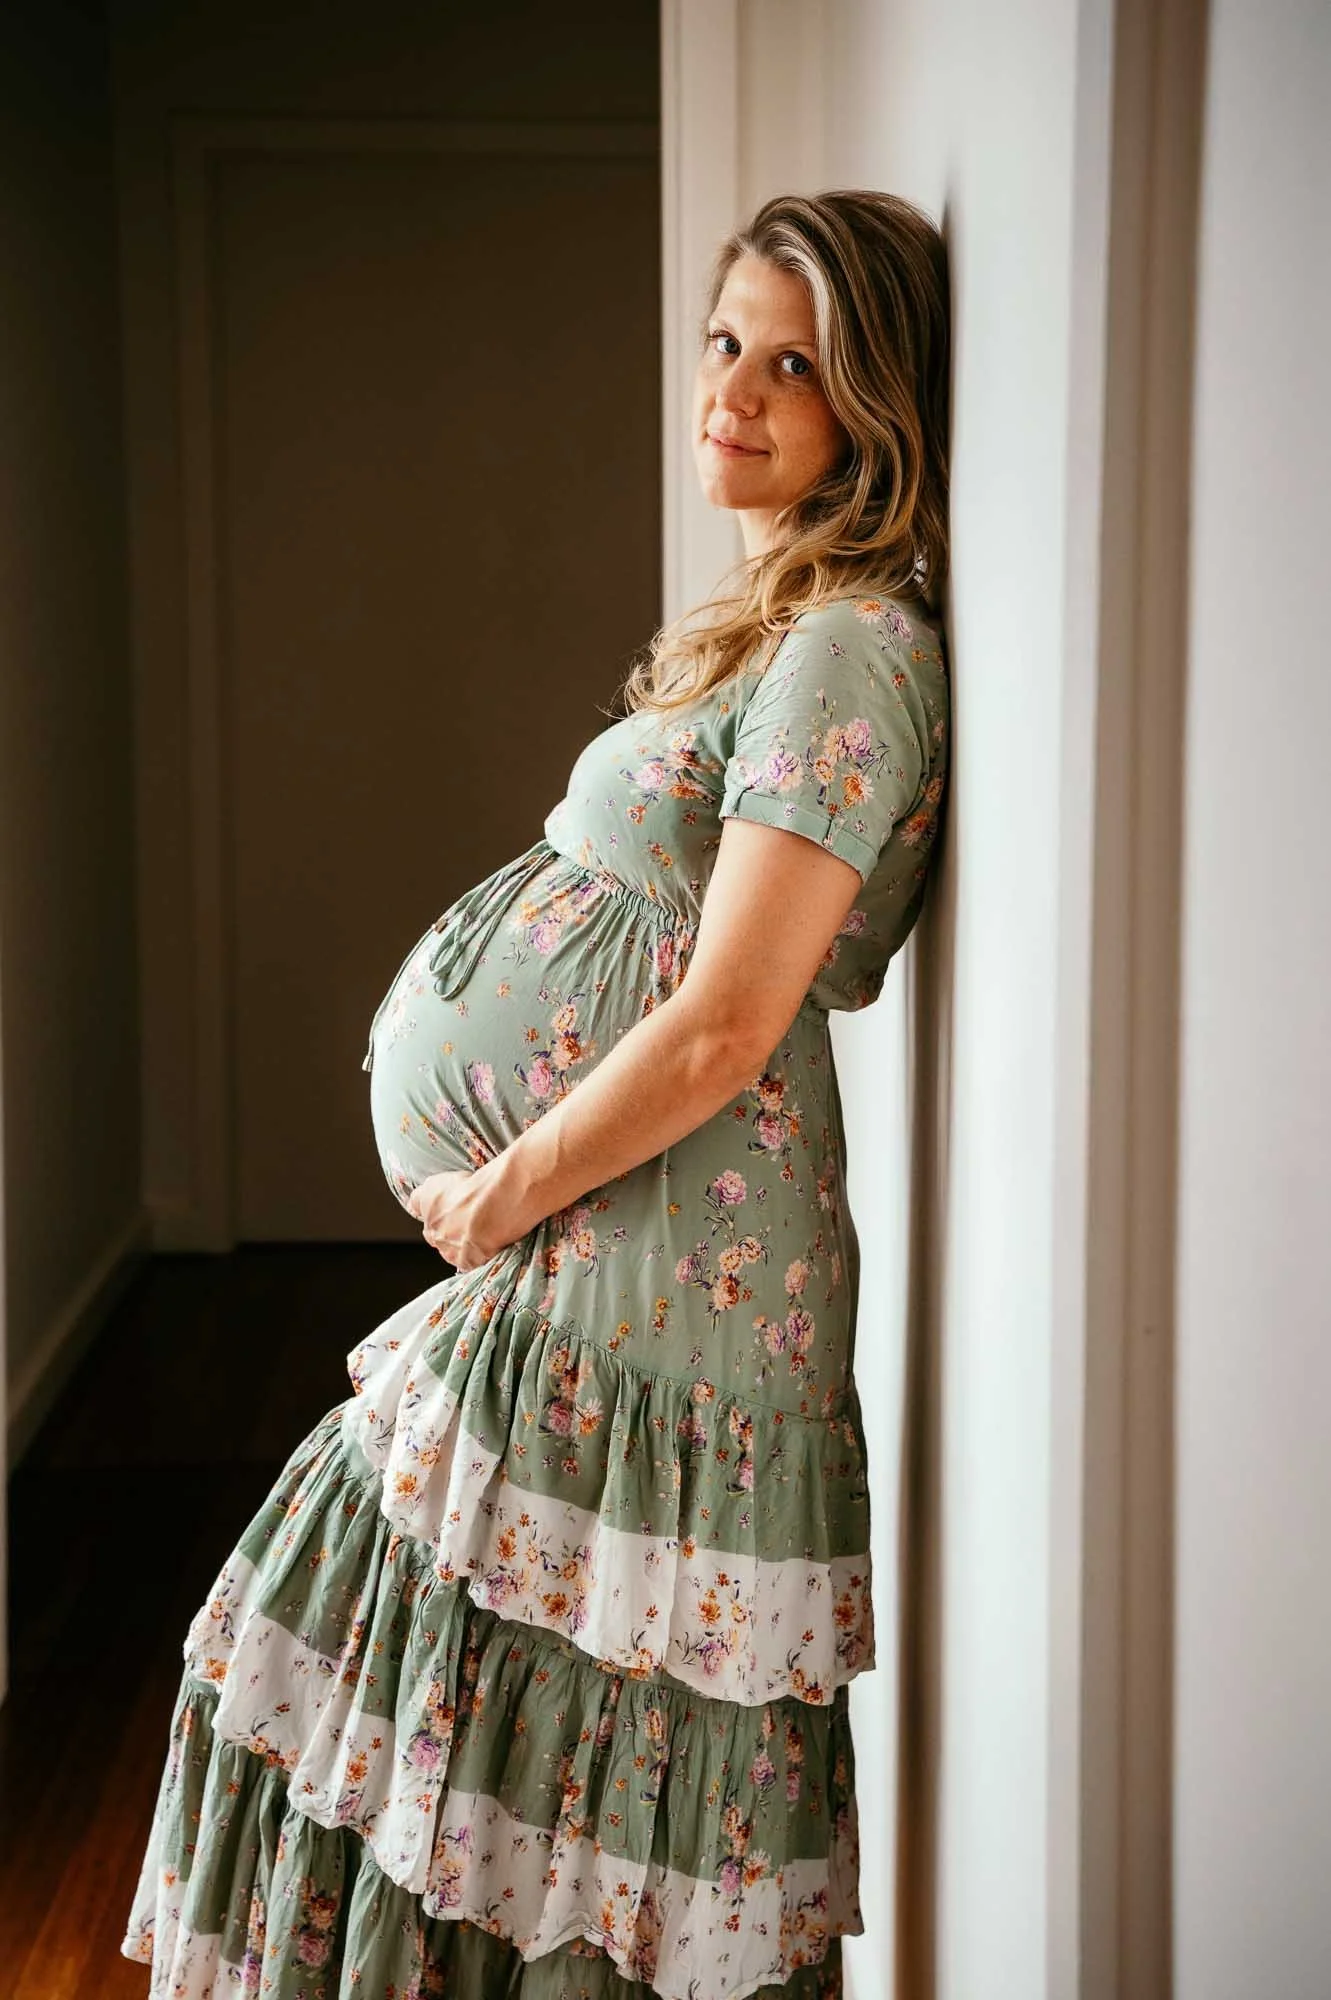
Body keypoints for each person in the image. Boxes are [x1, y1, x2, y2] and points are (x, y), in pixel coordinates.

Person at [120, 187, 950, 2000]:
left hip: (648, 1284)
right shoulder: (778, 619)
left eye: (795, 365)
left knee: (538, 1779)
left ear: (877, 404)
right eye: (726, 342)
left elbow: (729, 1021)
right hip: (607, 1259)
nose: (732, 391)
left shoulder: (852, 647)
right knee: (432, 1736)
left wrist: (500, 1193)